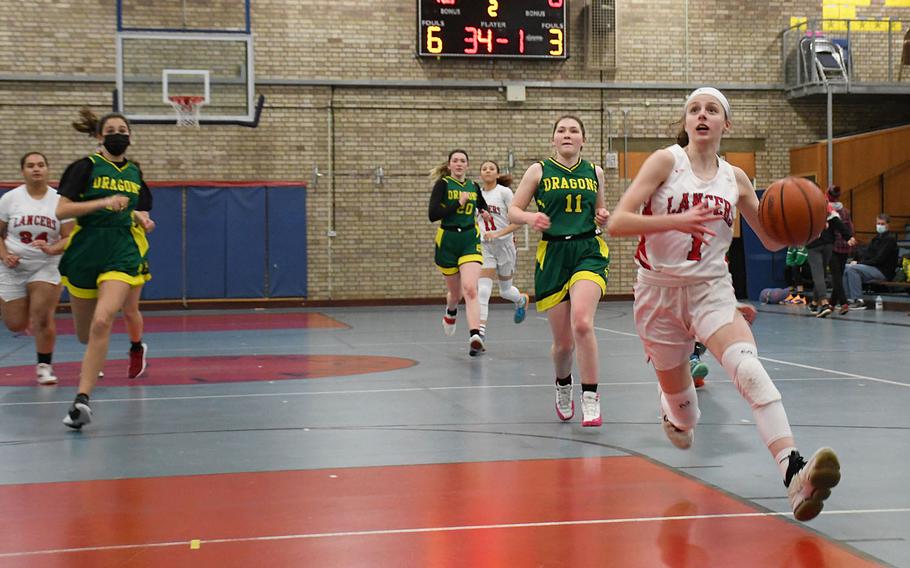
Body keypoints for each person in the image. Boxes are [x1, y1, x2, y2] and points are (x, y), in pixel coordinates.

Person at [606, 87, 840, 521]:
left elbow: (770, 237)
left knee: (749, 370)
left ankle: (795, 474)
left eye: (711, 110)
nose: (701, 115)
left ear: (724, 124)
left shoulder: (736, 178)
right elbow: (618, 222)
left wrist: (805, 229)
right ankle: (673, 412)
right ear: (686, 121)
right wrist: (675, 219)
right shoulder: (664, 162)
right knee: (685, 422)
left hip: (711, 290)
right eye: (694, 109)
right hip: (657, 294)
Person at [508, 115, 611, 427]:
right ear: (553, 139)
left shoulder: (595, 171)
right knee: (564, 343)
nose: (567, 135)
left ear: (583, 139)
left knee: (582, 322)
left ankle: (590, 398)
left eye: (574, 130)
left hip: (588, 251)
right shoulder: (539, 170)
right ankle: (563, 384)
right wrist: (530, 218)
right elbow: (514, 209)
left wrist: (603, 216)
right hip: (553, 253)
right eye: (561, 130)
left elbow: (599, 212)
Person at [56, 109, 153, 429]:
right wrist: (102, 202)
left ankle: (81, 401)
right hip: (85, 252)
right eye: (110, 129)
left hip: (120, 252)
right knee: (86, 334)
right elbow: (62, 210)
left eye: (122, 129)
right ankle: (87, 377)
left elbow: (134, 207)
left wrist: (140, 217)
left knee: (103, 319)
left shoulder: (135, 174)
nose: (117, 134)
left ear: (129, 136)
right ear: (99, 136)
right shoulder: (84, 167)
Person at [0, 152, 74, 385]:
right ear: (23, 171)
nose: (36, 169)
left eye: (41, 164)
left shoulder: (60, 200)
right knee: (15, 324)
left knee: (42, 316)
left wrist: (52, 249)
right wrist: (4, 256)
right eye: (30, 165)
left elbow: (69, 237)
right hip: (14, 266)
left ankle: (44, 366)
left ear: (48, 169)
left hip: (46, 264)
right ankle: (24, 308)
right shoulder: (10, 199)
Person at [428, 149, 491, 356]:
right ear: (449, 165)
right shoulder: (443, 185)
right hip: (447, 241)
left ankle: (475, 335)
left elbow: (480, 203)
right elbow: (433, 214)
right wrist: (458, 203)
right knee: (455, 294)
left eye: (462, 161)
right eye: (455, 161)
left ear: (467, 165)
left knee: (471, 289)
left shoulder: (473, 186)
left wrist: (484, 211)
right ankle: (451, 311)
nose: (459, 164)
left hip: (469, 240)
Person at [476, 160, 530, 340]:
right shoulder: (477, 195)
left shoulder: (504, 193)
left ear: (497, 174)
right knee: (483, 290)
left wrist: (499, 233)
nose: (488, 171)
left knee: (505, 291)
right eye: (484, 169)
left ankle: (521, 299)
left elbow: (518, 221)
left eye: (491, 168)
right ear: (481, 174)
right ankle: (479, 334)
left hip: (505, 246)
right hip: (485, 246)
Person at [122, 208, 154, 378]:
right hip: (100, 250)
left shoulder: (136, 186)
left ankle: (136, 347)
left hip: (130, 254)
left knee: (129, 310)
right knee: (99, 312)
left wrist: (144, 220)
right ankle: (94, 358)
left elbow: (145, 218)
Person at [805, 201, 851, 318]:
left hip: (814, 245)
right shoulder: (826, 207)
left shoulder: (804, 208)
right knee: (821, 274)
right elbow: (837, 222)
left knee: (818, 275)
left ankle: (824, 304)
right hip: (829, 245)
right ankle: (814, 303)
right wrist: (848, 237)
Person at [843, 214, 897, 310]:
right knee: (845, 267)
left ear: (888, 225)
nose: (879, 226)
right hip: (871, 268)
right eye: (878, 223)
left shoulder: (890, 240)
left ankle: (858, 300)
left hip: (882, 271)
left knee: (853, 269)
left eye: (882, 224)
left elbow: (879, 260)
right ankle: (848, 300)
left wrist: (859, 264)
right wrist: (857, 260)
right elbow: (866, 254)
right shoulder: (875, 239)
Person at [827, 186, 854, 315]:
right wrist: (849, 239)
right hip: (845, 246)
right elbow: (850, 228)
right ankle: (832, 303)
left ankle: (843, 303)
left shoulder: (827, 210)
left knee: (836, 277)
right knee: (838, 275)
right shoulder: (845, 211)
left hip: (832, 247)